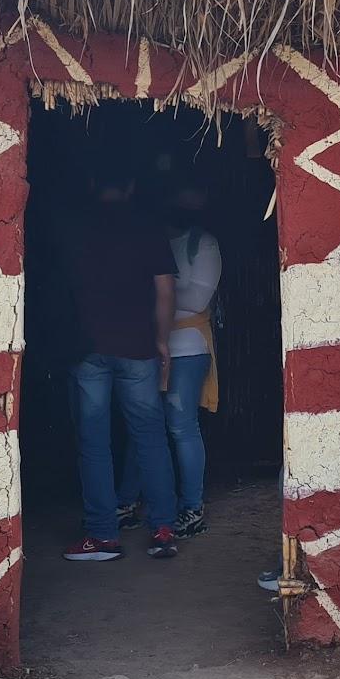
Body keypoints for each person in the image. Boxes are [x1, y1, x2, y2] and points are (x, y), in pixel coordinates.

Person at [62, 167, 181, 561]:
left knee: (94, 443)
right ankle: (163, 529)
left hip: (88, 348)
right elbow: (165, 291)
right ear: (130, 184)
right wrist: (162, 340)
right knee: (150, 437)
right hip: (139, 348)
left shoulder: (75, 226)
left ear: (94, 183)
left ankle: (102, 536)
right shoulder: (148, 228)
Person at [122, 181, 223, 539]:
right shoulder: (151, 241)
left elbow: (197, 300)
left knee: (181, 427)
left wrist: (157, 294)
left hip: (188, 349)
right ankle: (128, 502)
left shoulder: (203, 243)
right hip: (150, 347)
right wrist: (164, 293)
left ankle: (191, 508)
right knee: (144, 427)